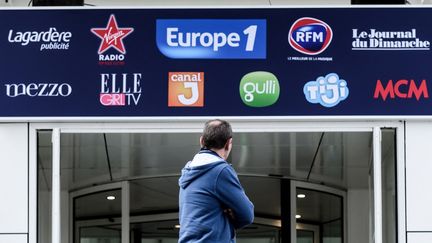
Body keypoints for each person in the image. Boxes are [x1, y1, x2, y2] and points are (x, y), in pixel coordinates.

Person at [178, 119, 254, 243]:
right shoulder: (220, 171)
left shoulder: (188, 171)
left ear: (201, 141)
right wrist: (231, 215)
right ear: (229, 143)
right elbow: (247, 215)